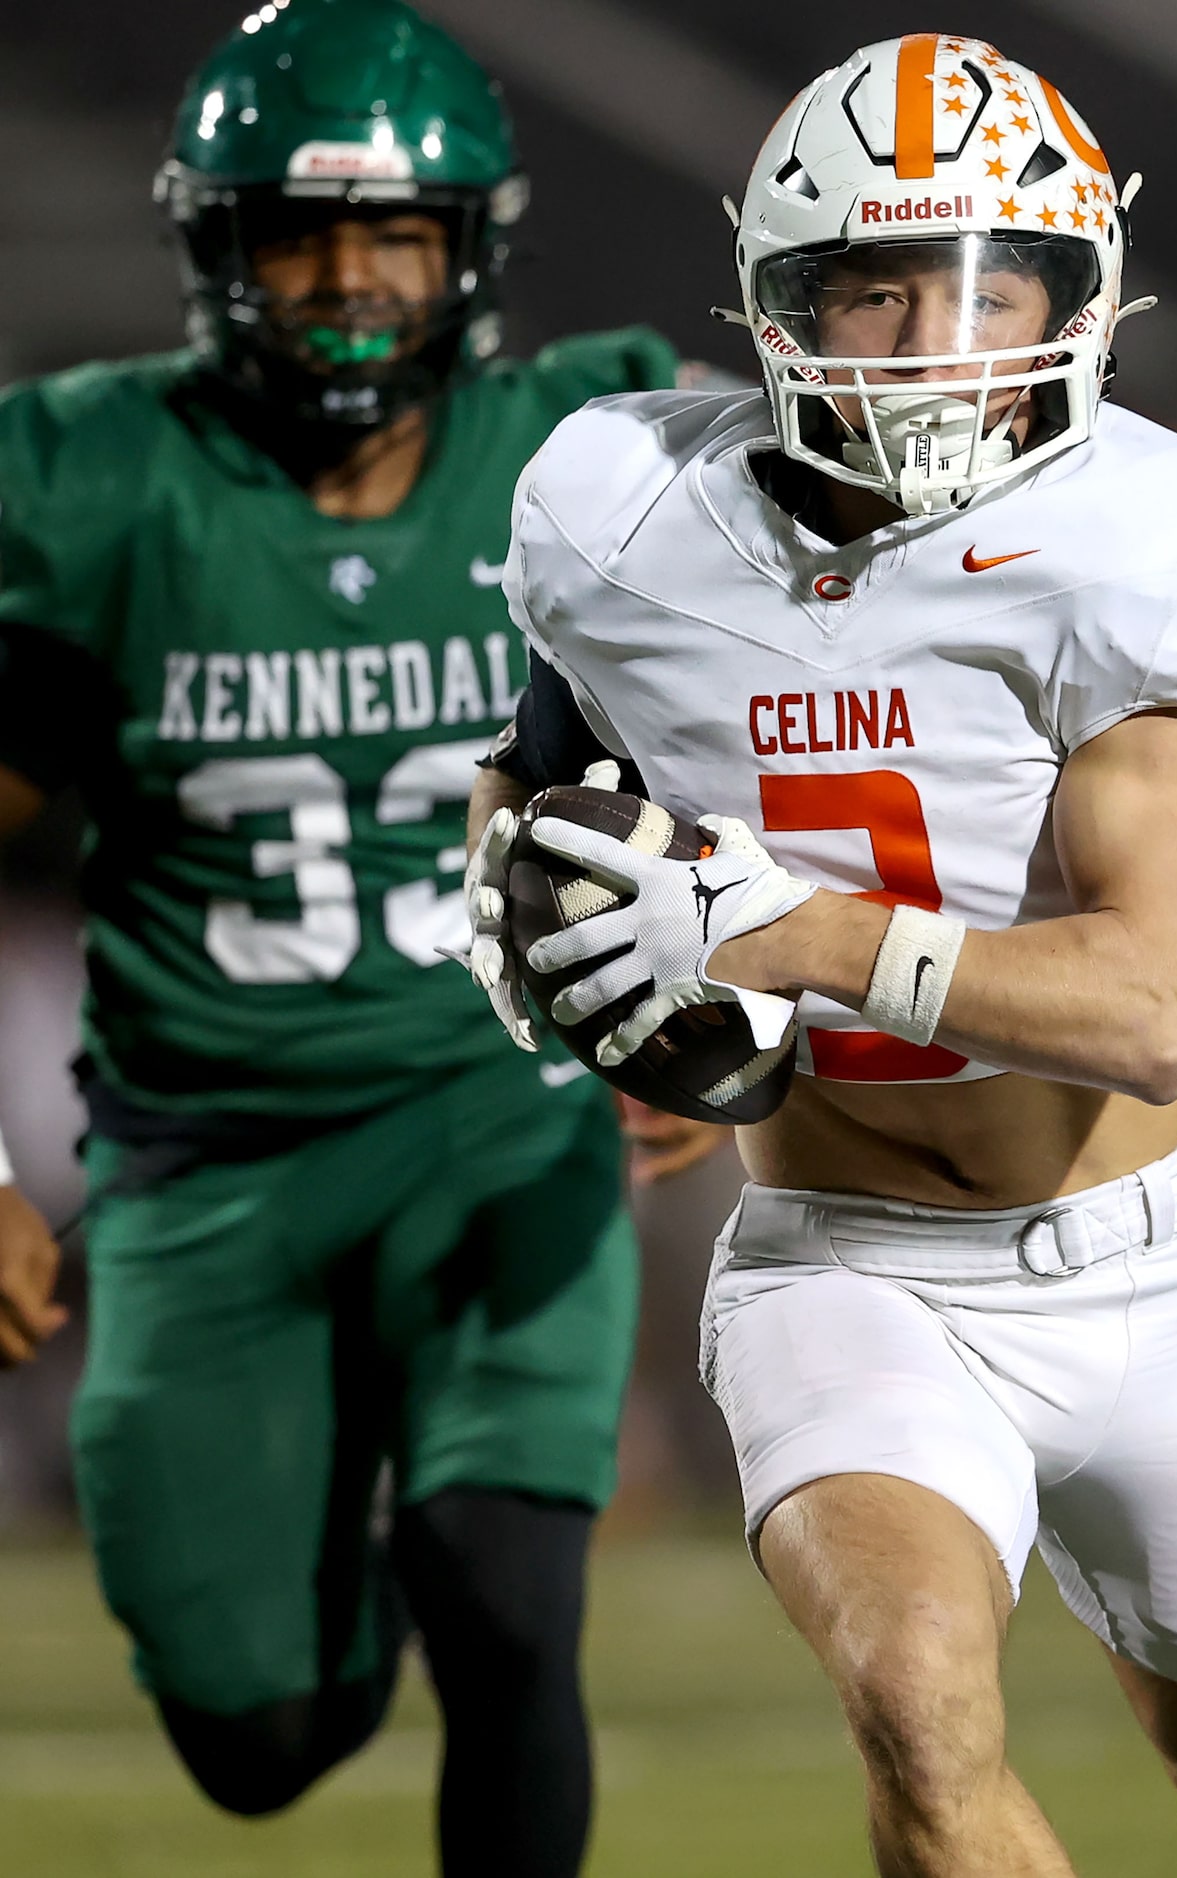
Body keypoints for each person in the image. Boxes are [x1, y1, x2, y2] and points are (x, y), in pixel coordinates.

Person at [468, 34, 1177, 1878]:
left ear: (1079, 300)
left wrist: (776, 926)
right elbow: (543, 769)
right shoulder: (625, 512)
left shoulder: (1140, 538)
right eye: (872, 290)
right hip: (843, 1260)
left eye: (985, 289)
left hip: (1150, 1262)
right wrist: (540, 937)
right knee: (916, 1702)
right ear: (776, 307)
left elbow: (1151, 1005)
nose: (930, 344)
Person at [0, 2, 693, 1871]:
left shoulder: (586, 452)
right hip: (205, 1162)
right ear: (214, 250)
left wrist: (701, 983)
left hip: (498, 1123)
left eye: (393, 237)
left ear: (471, 248)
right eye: (300, 240)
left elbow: (769, 697)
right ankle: (312, 1577)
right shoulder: (92, 482)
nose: (350, 287)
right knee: (261, 1733)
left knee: (506, 1601)